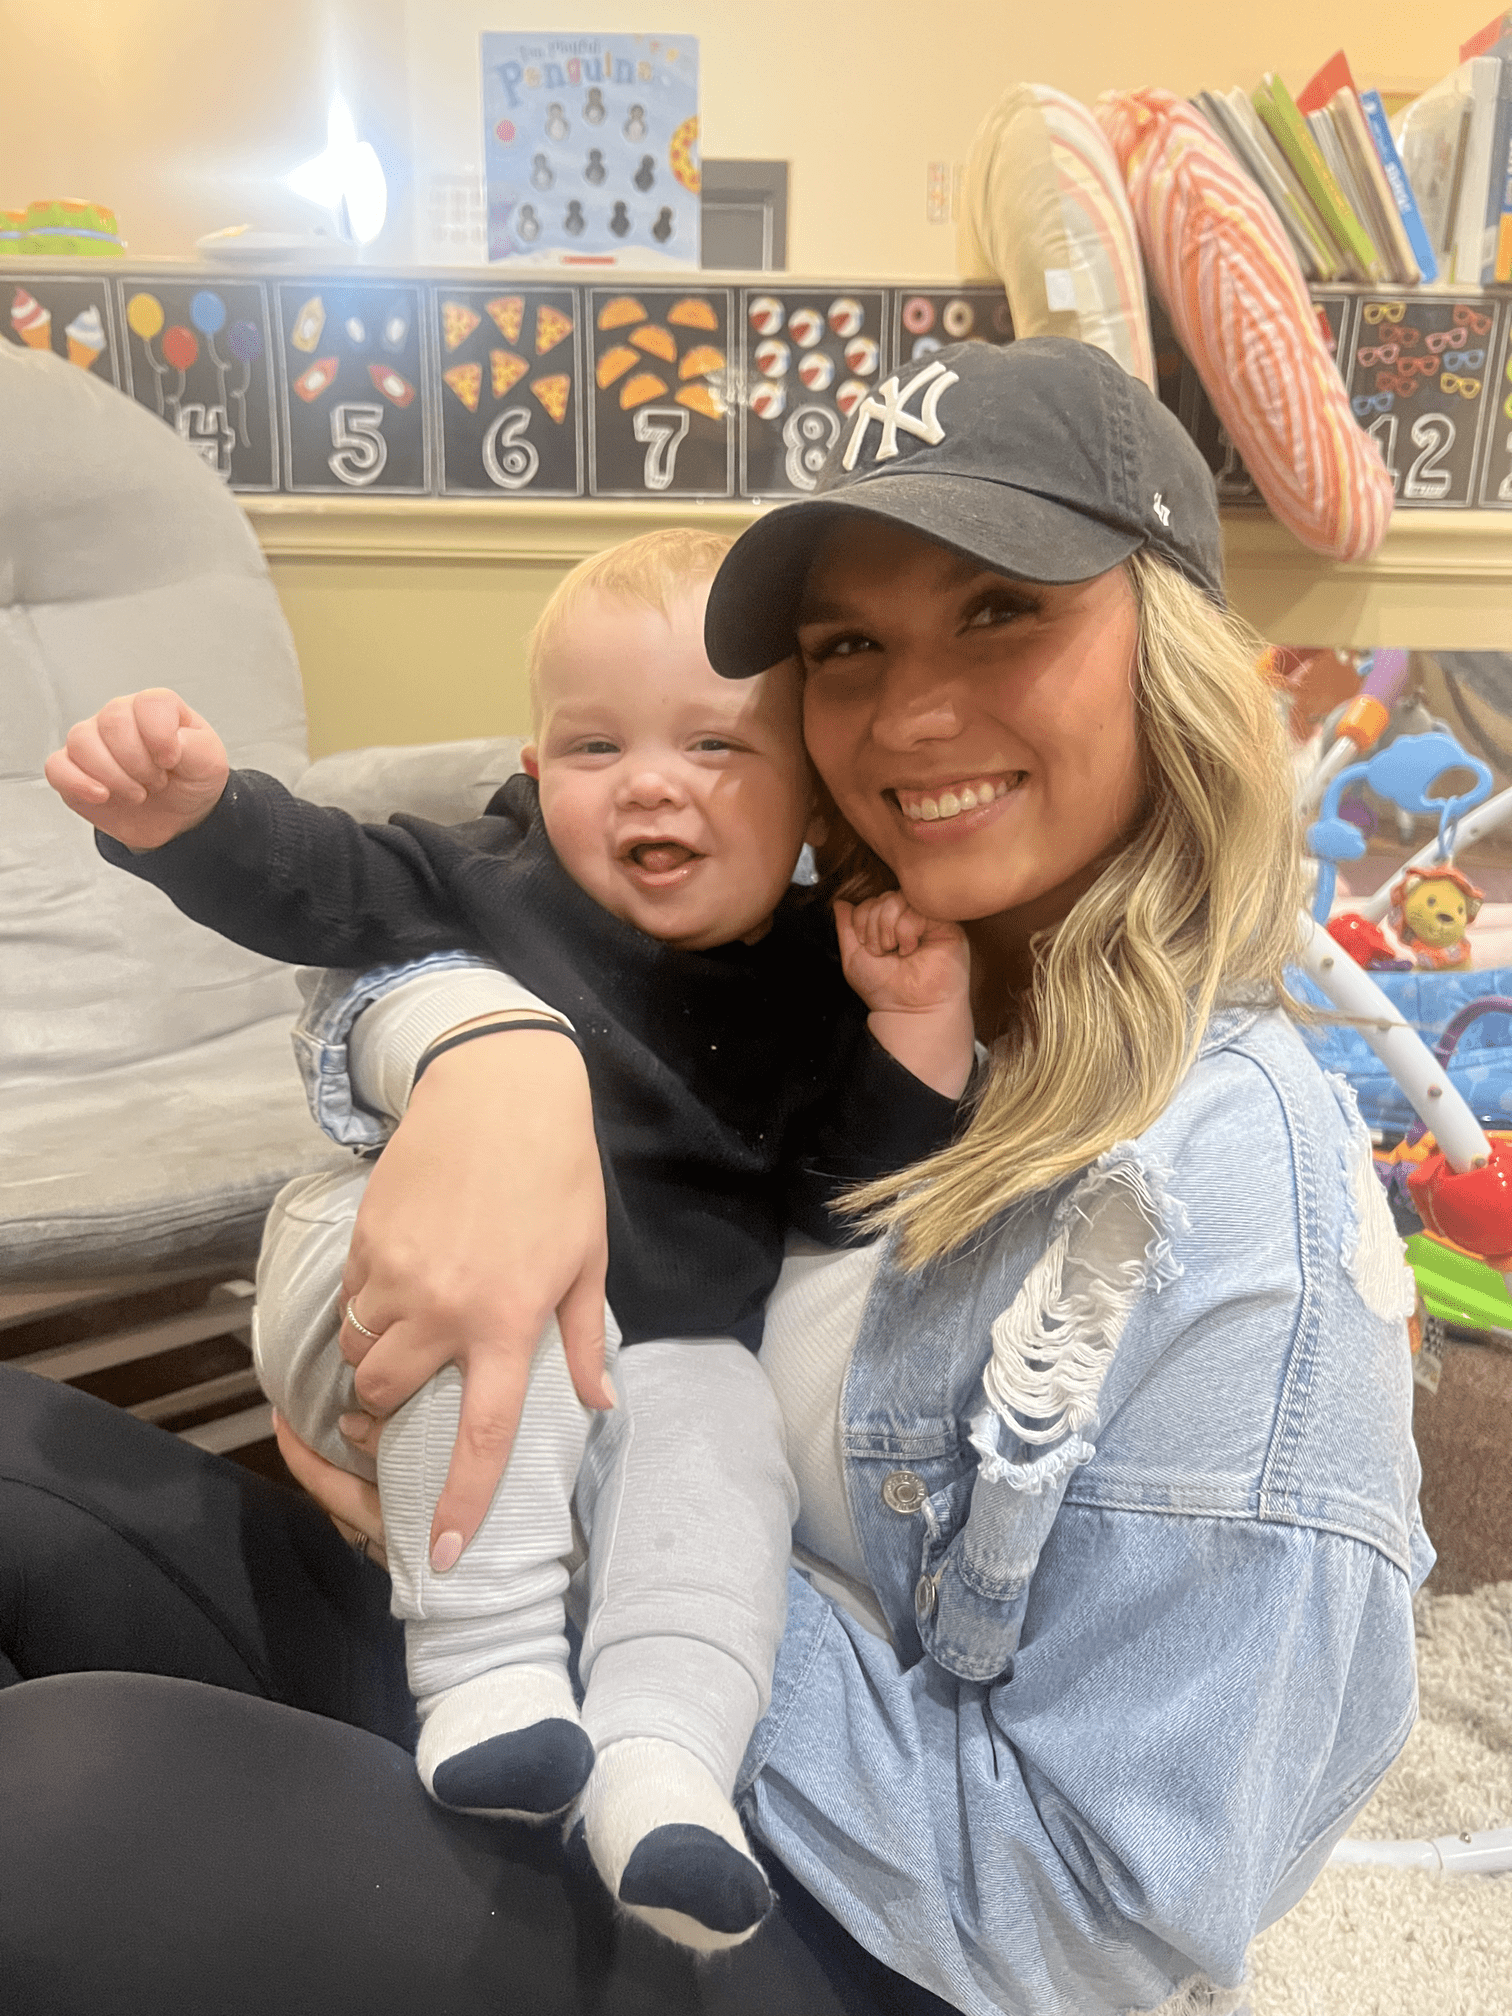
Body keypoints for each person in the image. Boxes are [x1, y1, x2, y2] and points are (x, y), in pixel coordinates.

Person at [1, 337, 1431, 2016]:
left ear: (1171, 654)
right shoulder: (839, 945)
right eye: (847, 646)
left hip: (843, 1902)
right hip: (524, 1642)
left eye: (1000, 610)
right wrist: (479, 1048)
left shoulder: (1225, 1196)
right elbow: (446, 912)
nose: (908, 713)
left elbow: (1091, 1905)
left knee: (67, 1809)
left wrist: (594, 1548)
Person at [42, 529, 973, 1950]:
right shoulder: (493, 879)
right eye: (597, 747)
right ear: (538, 775)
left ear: (809, 806)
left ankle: (668, 1762)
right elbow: (324, 878)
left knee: (729, 1462)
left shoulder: (816, 970)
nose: (649, 781)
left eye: (716, 748)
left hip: (675, 1345)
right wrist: (197, 817)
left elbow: (847, 1197)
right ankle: (488, 1679)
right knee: (499, 1330)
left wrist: (913, 1029)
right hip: (468, 1291)